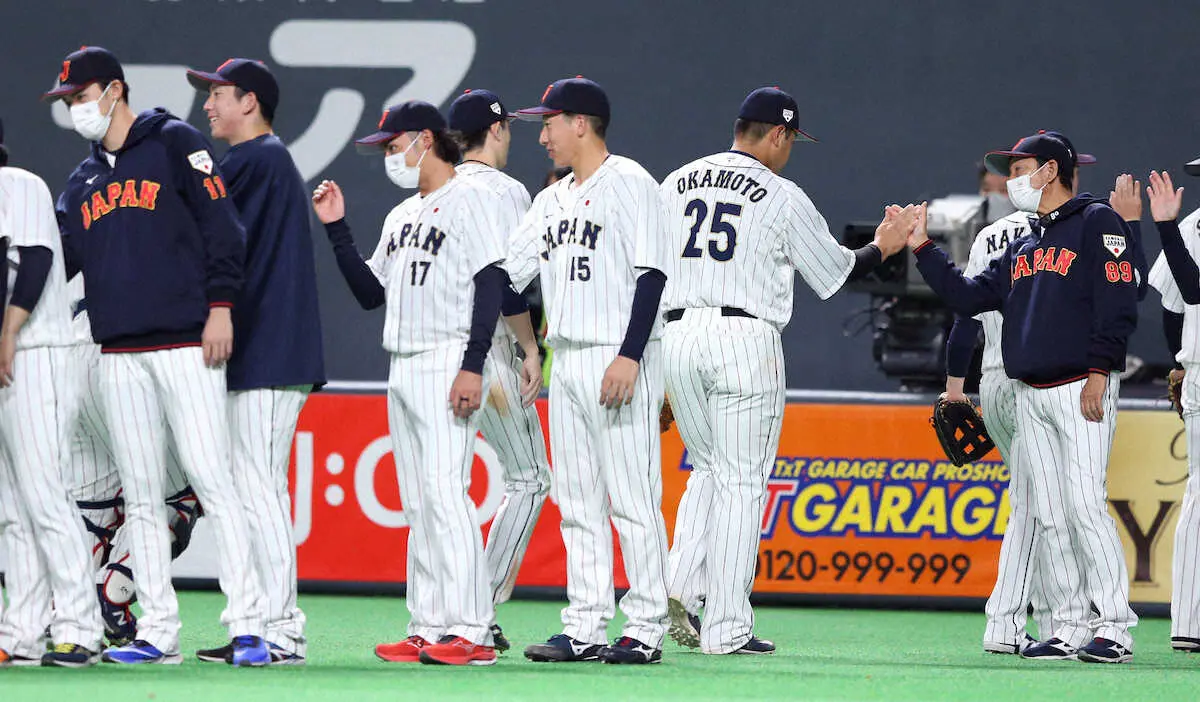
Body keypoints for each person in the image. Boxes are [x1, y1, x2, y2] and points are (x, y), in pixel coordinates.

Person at [658, 87, 914, 655]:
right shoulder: (779, 193)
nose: (791, 149)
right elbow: (835, 273)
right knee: (743, 483)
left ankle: (677, 586)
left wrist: (657, 361)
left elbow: (647, 272)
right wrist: (884, 245)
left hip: (676, 333)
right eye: (792, 139)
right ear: (777, 134)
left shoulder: (675, 181)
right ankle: (726, 627)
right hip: (743, 337)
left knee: (709, 469)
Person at [46, 45, 269, 666]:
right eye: (68, 102)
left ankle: (248, 625)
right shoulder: (83, 179)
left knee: (213, 482)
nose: (75, 110)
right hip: (117, 351)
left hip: (184, 342)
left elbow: (224, 226)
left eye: (81, 97)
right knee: (141, 495)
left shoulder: (173, 141)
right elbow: (60, 258)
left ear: (115, 91)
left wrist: (221, 305)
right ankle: (158, 631)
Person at [910, 130, 1139, 664]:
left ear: (1051, 171)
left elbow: (1119, 300)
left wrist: (1100, 371)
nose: (1013, 179)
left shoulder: (1097, 222)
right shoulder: (1026, 243)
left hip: (1080, 388)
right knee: (1052, 514)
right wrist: (923, 246)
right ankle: (1067, 626)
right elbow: (967, 297)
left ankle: (1116, 628)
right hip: (1030, 394)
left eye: (1022, 168)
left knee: (1084, 507)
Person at [312, 100, 510, 667]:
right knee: (421, 503)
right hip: (402, 362)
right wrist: (337, 230)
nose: (389, 157)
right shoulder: (402, 216)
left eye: (394, 145)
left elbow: (492, 282)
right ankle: (428, 624)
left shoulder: (470, 197)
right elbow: (372, 293)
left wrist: (473, 364)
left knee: (447, 494)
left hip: (449, 355)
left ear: (426, 140)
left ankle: (472, 628)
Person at [505, 75, 671, 665]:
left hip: (617, 353)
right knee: (576, 502)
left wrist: (630, 354)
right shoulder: (549, 200)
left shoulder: (631, 183)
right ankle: (585, 625)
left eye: (548, 123)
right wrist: (529, 349)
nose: (542, 135)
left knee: (632, 498)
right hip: (567, 359)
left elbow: (653, 275)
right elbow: (505, 278)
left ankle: (646, 626)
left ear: (582, 123)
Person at [184, 58, 326, 665]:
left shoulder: (257, 159)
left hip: (270, 351)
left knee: (259, 489)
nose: (208, 105)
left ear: (251, 102)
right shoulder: (253, 160)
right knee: (250, 488)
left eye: (218, 95)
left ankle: (280, 629)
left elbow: (208, 245)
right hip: (262, 351)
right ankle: (262, 624)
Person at [446, 88, 549, 653]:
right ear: (499, 130)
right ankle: (476, 611)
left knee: (443, 488)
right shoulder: (506, 191)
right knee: (531, 478)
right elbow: (506, 279)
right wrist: (529, 347)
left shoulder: (437, 188)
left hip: (437, 352)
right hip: (485, 353)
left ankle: (437, 616)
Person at [0, 116, 105, 668]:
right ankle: (19, 632)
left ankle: (80, 627)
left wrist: (8, 333)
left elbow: (37, 260)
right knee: (11, 507)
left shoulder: (19, 184)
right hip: (7, 357)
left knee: (44, 495)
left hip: (36, 353)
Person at [1143, 169, 1200, 652]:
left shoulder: (1189, 226)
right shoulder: (1190, 225)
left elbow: (1175, 298)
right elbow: (1182, 295)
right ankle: (1189, 623)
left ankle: (1190, 623)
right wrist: (1178, 365)